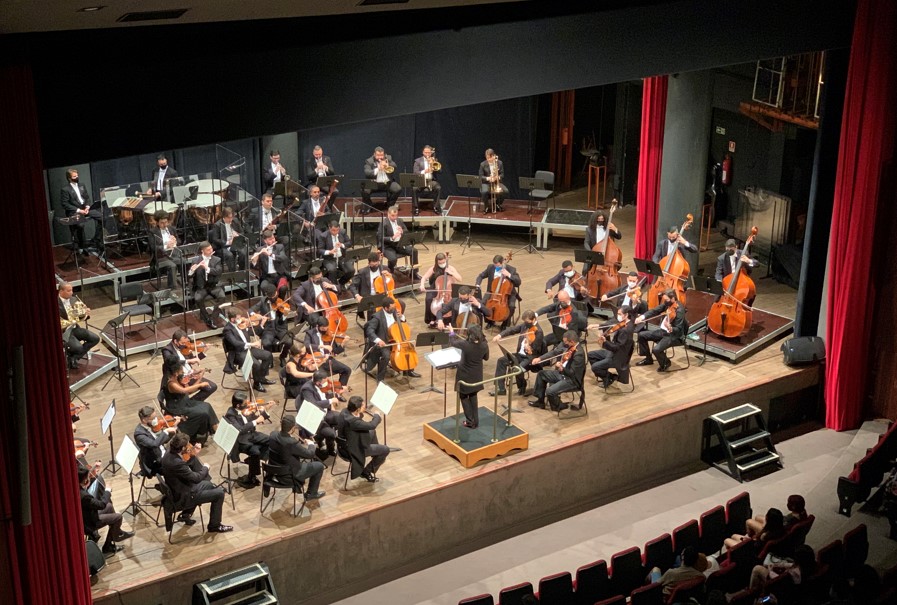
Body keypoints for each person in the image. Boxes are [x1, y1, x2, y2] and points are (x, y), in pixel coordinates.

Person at [160, 432, 232, 533]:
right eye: (188, 445)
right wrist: (205, 468)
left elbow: (183, 468)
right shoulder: (176, 463)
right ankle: (214, 526)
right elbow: (196, 478)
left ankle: (185, 514)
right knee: (219, 493)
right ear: (182, 448)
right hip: (184, 497)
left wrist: (193, 454)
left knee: (209, 484)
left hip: (178, 489)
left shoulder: (169, 452)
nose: (190, 446)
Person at [78, 465, 134, 555]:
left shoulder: (77, 487)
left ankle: (116, 532)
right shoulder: (84, 496)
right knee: (118, 517)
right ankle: (108, 545)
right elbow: (101, 505)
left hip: (88, 515)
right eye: (87, 477)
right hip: (89, 523)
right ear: (84, 480)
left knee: (109, 506)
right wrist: (107, 490)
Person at [267, 415, 326, 500]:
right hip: (288, 476)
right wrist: (311, 444)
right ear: (293, 428)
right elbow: (310, 454)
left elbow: (284, 445)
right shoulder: (292, 443)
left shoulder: (273, 435)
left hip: (274, 472)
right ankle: (311, 493)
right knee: (319, 466)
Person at [490, 310, 546, 397]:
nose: (526, 324)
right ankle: (501, 388)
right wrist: (500, 335)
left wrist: (529, 347)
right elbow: (512, 330)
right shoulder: (524, 326)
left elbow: (537, 349)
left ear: (534, 319)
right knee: (501, 361)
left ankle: (522, 386)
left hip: (530, 357)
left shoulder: (539, 332)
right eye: (525, 322)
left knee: (518, 368)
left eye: (528, 322)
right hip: (519, 354)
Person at [161, 358, 218, 443]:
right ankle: (211, 432)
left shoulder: (176, 378)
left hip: (185, 402)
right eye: (181, 371)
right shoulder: (171, 383)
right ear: (176, 373)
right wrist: (201, 384)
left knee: (207, 406)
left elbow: (189, 391)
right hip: (178, 408)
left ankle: (213, 431)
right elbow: (184, 390)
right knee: (204, 411)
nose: (183, 372)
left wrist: (200, 378)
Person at [363, 299, 421, 380]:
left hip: (396, 340)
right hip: (384, 342)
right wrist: (378, 340)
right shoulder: (377, 317)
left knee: (409, 348)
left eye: (394, 306)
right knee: (386, 356)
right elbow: (369, 331)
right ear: (386, 308)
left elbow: (403, 323)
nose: (394, 309)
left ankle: (408, 371)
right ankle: (380, 378)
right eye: (392, 307)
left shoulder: (394, 312)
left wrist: (402, 316)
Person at [528, 330, 586, 411]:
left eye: (565, 342)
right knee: (541, 374)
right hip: (562, 374)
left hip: (572, 380)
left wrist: (562, 368)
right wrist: (540, 358)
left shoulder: (579, 354)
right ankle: (540, 401)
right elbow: (554, 352)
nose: (564, 344)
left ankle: (559, 406)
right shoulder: (568, 347)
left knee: (550, 391)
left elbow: (572, 373)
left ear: (572, 342)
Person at [223, 391, 271, 489]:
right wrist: (256, 421)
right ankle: (252, 474)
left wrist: (265, 412)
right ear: (238, 405)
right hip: (241, 441)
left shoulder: (244, 410)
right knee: (256, 451)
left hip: (251, 435)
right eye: (245, 403)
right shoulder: (230, 414)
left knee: (270, 441)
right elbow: (240, 430)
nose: (247, 405)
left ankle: (253, 463)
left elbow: (251, 418)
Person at [222, 307, 275, 392]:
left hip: (248, 349)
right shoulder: (227, 330)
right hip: (238, 353)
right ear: (232, 319)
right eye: (238, 318)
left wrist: (261, 324)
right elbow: (235, 343)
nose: (241, 319)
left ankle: (261, 378)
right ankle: (257, 384)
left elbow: (252, 332)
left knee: (268, 355)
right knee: (256, 364)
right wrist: (252, 344)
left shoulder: (241, 325)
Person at [635, 288, 688, 372]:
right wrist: (642, 317)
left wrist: (671, 328)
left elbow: (678, 328)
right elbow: (655, 311)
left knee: (656, 350)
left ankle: (666, 363)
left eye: (666, 300)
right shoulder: (668, 304)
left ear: (673, 298)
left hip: (674, 336)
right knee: (641, 335)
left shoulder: (680, 310)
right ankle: (648, 359)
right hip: (663, 331)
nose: (665, 302)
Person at [337, 396, 389, 482]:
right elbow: (372, 425)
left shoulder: (345, 411)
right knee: (385, 450)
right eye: (363, 406)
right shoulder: (353, 421)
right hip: (353, 450)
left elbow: (363, 422)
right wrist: (377, 416)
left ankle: (375, 455)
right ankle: (366, 472)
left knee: (372, 432)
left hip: (345, 444)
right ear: (357, 409)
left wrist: (360, 413)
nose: (365, 406)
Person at [449, 324, 490, 428]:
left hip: (465, 375)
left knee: (463, 396)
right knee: (473, 395)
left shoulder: (465, 344)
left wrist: (451, 332)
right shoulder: (484, 344)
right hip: (477, 375)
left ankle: (470, 421)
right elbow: (486, 358)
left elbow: (453, 342)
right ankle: (476, 421)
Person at [160, 329, 218, 401]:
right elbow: (171, 362)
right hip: (178, 378)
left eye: (186, 342)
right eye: (182, 343)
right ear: (175, 341)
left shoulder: (184, 348)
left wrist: (204, 351)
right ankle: (189, 404)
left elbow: (193, 360)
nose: (185, 345)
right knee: (210, 387)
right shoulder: (167, 350)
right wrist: (189, 361)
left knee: (212, 387)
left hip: (189, 374)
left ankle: (191, 402)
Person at [588, 305, 635, 388]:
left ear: (626, 315)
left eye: (619, 314)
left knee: (595, 367)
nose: (618, 316)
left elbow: (617, 348)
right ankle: (605, 377)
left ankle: (610, 377)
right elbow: (611, 324)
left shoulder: (625, 330)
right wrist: (598, 326)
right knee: (591, 355)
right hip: (613, 352)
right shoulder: (625, 323)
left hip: (618, 357)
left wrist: (605, 342)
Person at [297, 369, 342, 457]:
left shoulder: (321, 386)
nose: (326, 383)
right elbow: (314, 404)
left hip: (324, 412)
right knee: (331, 434)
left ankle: (330, 447)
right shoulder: (307, 389)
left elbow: (325, 396)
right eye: (324, 382)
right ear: (318, 382)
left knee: (341, 418)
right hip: (315, 418)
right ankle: (320, 440)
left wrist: (336, 395)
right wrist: (330, 401)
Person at [60, 168, 103, 253]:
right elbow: (65, 204)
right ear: (69, 178)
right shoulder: (65, 189)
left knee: (102, 217)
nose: (77, 177)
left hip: (85, 208)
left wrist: (87, 206)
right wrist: (79, 210)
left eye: (77, 175)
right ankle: (82, 245)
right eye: (74, 176)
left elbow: (87, 197)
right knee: (80, 225)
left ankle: (96, 240)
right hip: (75, 211)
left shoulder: (82, 185)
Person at [303, 314, 352, 388]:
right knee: (322, 378)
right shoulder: (310, 333)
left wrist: (343, 344)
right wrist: (322, 346)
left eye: (326, 328)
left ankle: (340, 390)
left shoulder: (329, 334)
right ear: (317, 326)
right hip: (317, 361)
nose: (325, 330)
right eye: (323, 328)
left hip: (328, 359)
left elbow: (335, 352)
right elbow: (307, 345)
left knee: (347, 370)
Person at [58, 282, 99, 369]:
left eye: (72, 290)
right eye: (69, 291)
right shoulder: (54, 303)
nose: (71, 293)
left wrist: (85, 313)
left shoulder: (74, 299)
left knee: (95, 338)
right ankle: (71, 356)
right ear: (61, 291)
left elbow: (80, 317)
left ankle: (74, 358)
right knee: (78, 348)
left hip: (74, 328)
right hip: (64, 331)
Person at [476, 254, 521, 329]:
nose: (496, 267)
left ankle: (505, 323)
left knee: (511, 306)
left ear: (502, 262)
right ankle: (489, 321)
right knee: (483, 303)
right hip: (493, 291)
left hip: (507, 293)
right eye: (495, 265)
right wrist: (477, 284)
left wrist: (509, 275)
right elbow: (481, 276)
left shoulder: (511, 269)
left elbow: (518, 282)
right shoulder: (490, 267)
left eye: (498, 265)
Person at [749, 544, 816, 593]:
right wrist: (779, 565)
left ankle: (750, 592)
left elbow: (778, 580)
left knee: (757, 569)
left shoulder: (795, 573)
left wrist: (770, 570)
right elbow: (792, 565)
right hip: (790, 587)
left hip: (782, 589)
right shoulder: (810, 566)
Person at [419, 252, 462, 328]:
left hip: (448, 288)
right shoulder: (434, 268)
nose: (442, 264)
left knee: (452, 300)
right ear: (437, 262)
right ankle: (432, 319)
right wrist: (422, 285)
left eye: (443, 262)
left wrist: (452, 273)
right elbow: (424, 277)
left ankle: (448, 319)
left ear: (445, 260)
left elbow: (460, 279)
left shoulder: (451, 268)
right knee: (428, 299)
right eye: (440, 263)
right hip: (437, 287)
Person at [134, 406, 178, 478]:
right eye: (153, 418)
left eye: (156, 417)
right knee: (179, 465)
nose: (156, 420)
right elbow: (154, 444)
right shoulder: (139, 434)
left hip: (162, 452)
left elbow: (162, 441)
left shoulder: (150, 426)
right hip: (155, 462)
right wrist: (166, 431)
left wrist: (173, 430)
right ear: (144, 420)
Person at [189, 241, 225, 329]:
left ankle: (213, 318)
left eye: (211, 248)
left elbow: (218, 271)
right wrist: (192, 271)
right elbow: (189, 276)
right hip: (201, 287)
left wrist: (207, 268)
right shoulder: (195, 260)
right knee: (198, 299)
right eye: (208, 250)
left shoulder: (217, 260)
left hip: (213, 286)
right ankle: (206, 318)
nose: (211, 251)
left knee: (222, 297)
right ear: (203, 251)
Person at [251, 282, 292, 357]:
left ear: (276, 292)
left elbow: (282, 321)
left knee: (289, 342)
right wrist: (256, 315)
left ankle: (283, 356)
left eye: (274, 295)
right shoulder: (263, 301)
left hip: (280, 328)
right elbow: (250, 310)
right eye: (271, 297)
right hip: (268, 329)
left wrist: (285, 315)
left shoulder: (280, 301)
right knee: (266, 343)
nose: (273, 298)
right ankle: (269, 358)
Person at [378, 205, 419, 277]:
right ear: (388, 214)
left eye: (396, 215)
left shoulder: (399, 220)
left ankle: (414, 273)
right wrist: (392, 238)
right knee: (393, 259)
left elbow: (406, 231)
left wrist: (402, 231)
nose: (394, 217)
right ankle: (390, 272)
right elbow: (381, 238)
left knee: (414, 251)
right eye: (392, 216)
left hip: (399, 244)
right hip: (388, 246)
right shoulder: (383, 223)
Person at [582, 209, 622, 274]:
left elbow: (619, 237)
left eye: (602, 219)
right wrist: (590, 252)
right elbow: (586, 242)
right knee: (585, 270)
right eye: (598, 219)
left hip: (607, 253)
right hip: (595, 254)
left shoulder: (609, 228)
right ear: (595, 219)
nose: (600, 221)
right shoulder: (589, 230)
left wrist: (615, 229)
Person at [361, 146, 401, 210]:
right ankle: (369, 205)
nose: (380, 157)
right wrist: (378, 169)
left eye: (381, 155)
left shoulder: (388, 158)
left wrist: (388, 165)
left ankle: (390, 204)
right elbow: (367, 173)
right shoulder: (369, 161)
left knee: (398, 189)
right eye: (378, 155)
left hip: (387, 183)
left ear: (384, 154)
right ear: (374, 154)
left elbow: (395, 166)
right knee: (364, 191)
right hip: (374, 184)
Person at [149, 211, 181, 290]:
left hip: (173, 254)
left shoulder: (172, 229)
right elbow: (153, 247)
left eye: (166, 222)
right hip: (161, 257)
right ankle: (172, 288)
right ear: (157, 223)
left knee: (184, 261)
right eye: (162, 223)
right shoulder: (152, 232)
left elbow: (179, 241)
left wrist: (175, 241)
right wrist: (166, 246)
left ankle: (185, 283)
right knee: (172, 266)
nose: (165, 224)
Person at [317, 220, 354, 287]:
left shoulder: (342, 232)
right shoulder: (323, 236)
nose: (335, 232)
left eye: (337, 230)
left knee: (351, 270)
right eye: (333, 230)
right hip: (329, 259)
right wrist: (329, 252)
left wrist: (342, 245)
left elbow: (349, 243)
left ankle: (340, 284)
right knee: (332, 270)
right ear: (329, 228)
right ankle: (334, 287)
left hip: (342, 257)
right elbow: (320, 250)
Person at [209, 207, 246, 272]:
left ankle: (242, 271)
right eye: (229, 218)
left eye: (231, 217)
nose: (230, 219)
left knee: (243, 252)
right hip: (222, 247)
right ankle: (233, 273)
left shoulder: (235, 221)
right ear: (224, 217)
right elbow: (215, 239)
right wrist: (228, 242)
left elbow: (242, 232)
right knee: (229, 255)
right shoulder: (218, 225)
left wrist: (237, 234)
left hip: (235, 244)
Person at [411, 145, 442, 216]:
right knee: (414, 188)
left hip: (431, 181)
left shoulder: (434, 160)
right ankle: (416, 208)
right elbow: (415, 173)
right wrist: (425, 171)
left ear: (431, 153)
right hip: (421, 180)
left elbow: (440, 171)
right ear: (423, 152)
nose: (427, 154)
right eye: (426, 152)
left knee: (438, 188)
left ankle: (436, 207)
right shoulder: (417, 161)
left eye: (429, 152)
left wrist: (433, 165)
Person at [479, 148, 507, 213]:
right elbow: (480, 176)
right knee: (484, 192)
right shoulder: (482, 164)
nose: (488, 159)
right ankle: (486, 207)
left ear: (493, 156)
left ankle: (497, 204)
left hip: (496, 182)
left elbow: (502, 174)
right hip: (486, 182)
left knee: (505, 191)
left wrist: (497, 177)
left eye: (489, 158)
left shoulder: (499, 163)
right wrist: (488, 178)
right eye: (487, 158)